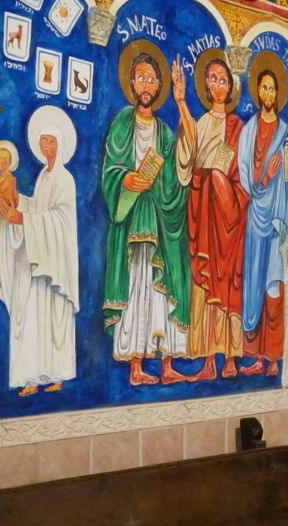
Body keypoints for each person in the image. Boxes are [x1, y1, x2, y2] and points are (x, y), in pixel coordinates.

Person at [101, 48, 191, 385]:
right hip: (131, 218)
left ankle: (166, 364)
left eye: (152, 79)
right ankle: (136, 365)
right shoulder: (122, 124)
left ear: (159, 85)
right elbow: (110, 169)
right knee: (136, 286)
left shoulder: (165, 132)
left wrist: (181, 102)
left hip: (158, 219)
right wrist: (125, 178)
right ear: (132, 82)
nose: (146, 84)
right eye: (141, 78)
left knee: (160, 293)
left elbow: (181, 170)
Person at [0, 107, 78, 396]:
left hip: (55, 263)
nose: (45, 146)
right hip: (38, 258)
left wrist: (23, 218)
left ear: (60, 145)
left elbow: (62, 219)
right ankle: (32, 377)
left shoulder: (64, 179)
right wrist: (16, 203)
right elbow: (37, 208)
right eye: (42, 141)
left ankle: (57, 374)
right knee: (33, 318)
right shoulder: (43, 177)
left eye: (51, 141)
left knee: (53, 319)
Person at [173, 55, 247, 381]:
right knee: (203, 284)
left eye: (223, 80)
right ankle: (207, 360)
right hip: (203, 209)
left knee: (228, 281)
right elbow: (188, 157)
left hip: (228, 214)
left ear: (231, 87)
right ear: (206, 84)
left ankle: (230, 356)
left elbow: (239, 169)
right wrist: (180, 103)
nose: (218, 85)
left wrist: (218, 178)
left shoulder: (237, 127)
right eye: (213, 79)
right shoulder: (201, 122)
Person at [238, 64, 288, 377]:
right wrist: (261, 183)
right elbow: (243, 170)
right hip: (255, 214)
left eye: (272, 88)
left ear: (278, 93)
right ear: (257, 91)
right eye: (263, 88)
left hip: (277, 221)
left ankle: (274, 358)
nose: (268, 93)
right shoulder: (249, 130)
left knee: (274, 285)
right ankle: (256, 357)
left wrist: (286, 217)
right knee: (254, 283)